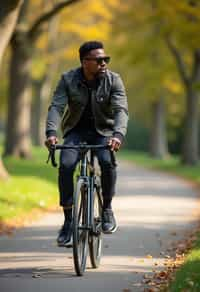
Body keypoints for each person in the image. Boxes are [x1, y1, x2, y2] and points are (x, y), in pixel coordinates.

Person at [45, 41, 128, 247]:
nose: (104, 64)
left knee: (107, 162)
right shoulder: (68, 79)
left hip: (104, 132)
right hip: (76, 132)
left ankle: (107, 209)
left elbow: (120, 110)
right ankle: (68, 220)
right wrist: (51, 132)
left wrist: (117, 134)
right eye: (99, 60)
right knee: (65, 165)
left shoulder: (113, 80)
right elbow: (57, 106)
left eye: (105, 60)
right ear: (85, 62)